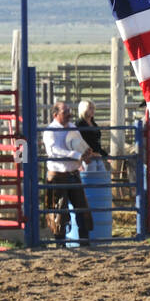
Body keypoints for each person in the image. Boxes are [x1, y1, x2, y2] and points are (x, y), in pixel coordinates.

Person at [42, 100, 98, 245]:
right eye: (65, 112)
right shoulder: (50, 131)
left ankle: (84, 242)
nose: (69, 114)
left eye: (68, 111)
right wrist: (77, 155)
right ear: (56, 115)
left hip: (72, 173)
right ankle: (61, 244)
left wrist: (85, 155)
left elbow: (80, 144)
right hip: (58, 174)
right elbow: (54, 151)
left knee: (82, 209)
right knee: (59, 212)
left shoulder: (72, 127)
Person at [75, 100, 106, 173]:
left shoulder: (94, 124)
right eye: (90, 108)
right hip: (87, 158)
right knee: (91, 179)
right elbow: (77, 142)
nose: (93, 110)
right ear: (84, 109)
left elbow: (97, 141)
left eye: (93, 108)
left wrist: (102, 153)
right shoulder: (79, 124)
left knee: (102, 179)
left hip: (97, 156)